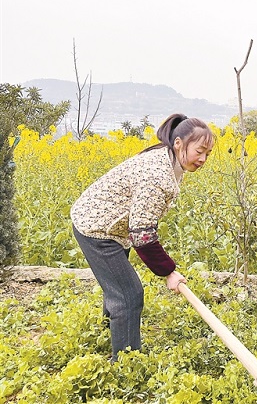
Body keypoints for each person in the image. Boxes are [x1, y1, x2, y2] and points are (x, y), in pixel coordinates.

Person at [71, 114, 215, 361]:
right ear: (178, 143)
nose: (202, 159)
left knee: (118, 285)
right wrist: (169, 272)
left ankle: (109, 334)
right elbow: (142, 234)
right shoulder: (157, 175)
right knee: (128, 295)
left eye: (207, 154)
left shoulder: (169, 160)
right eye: (199, 151)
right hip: (96, 228)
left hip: (112, 226)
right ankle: (126, 364)